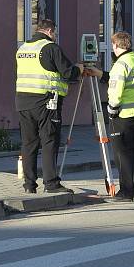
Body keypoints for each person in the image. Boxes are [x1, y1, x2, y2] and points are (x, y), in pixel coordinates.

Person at [16, 19, 83, 194]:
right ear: (50, 31)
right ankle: (51, 183)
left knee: (29, 143)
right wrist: (80, 69)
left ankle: (29, 185)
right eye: (55, 33)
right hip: (46, 103)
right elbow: (68, 72)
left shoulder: (23, 48)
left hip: (23, 102)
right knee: (49, 141)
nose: (56, 36)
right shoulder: (50, 48)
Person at [87, 32, 134, 201]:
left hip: (123, 115)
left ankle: (126, 191)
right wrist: (100, 74)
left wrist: (112, 110)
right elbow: (123, 81)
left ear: (115, 45)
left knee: (122, 154)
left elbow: (116, 90)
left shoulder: (120, 64)